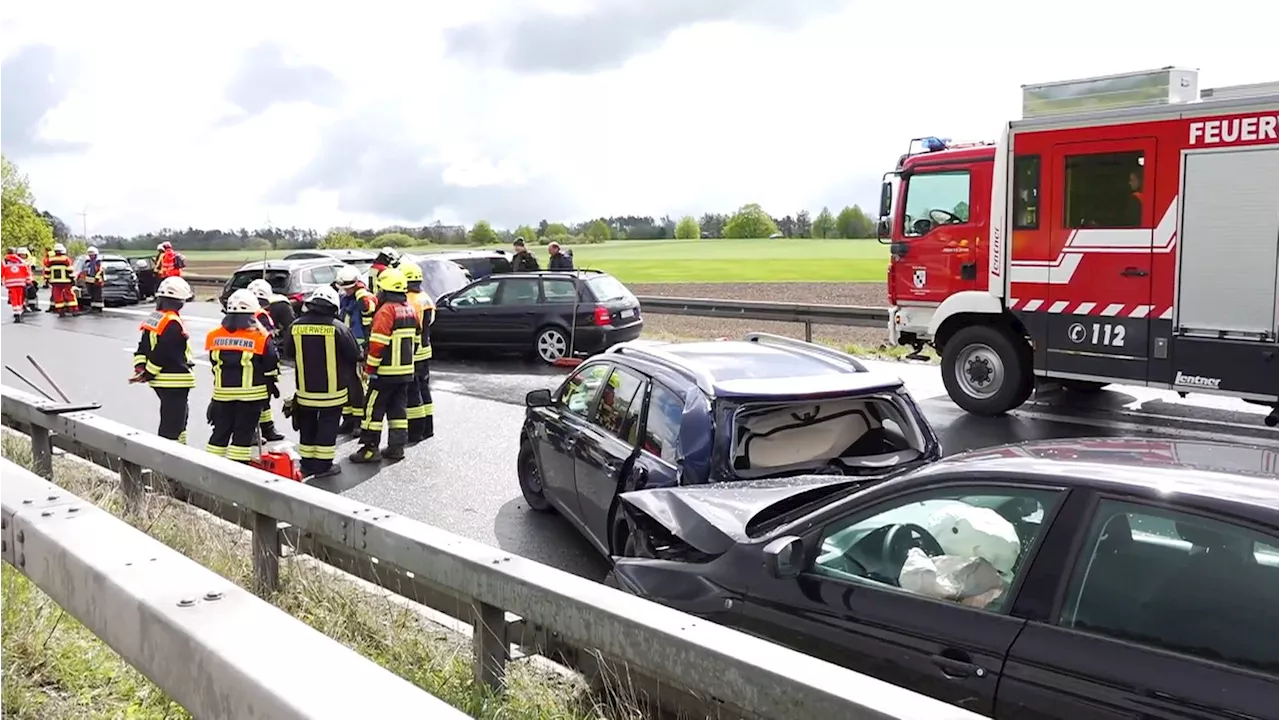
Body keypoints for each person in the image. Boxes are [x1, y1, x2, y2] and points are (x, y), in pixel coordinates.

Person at [284, 285, 360, 478]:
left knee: (307, 424)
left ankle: (307, 464)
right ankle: (323, 466)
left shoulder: (296, 326)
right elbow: (354, 354)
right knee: (328, 426)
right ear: (333, 306)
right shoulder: (339, 328)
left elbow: (289, 352)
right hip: (332, 392)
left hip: (305, 391)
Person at [349, 267, 419, 463]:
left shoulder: (386, 311)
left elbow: (378, 345)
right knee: (398, 410)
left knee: (373, 410)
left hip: (385, 373)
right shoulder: (411, 309)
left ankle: (370, 449)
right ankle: (397, 448)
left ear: (385, 290)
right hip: (406, 372)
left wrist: (369, 369)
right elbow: (418, 340)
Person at [205, 289, 279, 463]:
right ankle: (238, 472)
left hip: (222, 395)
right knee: (242, 436)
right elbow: (270, 365)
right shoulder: (260, 337)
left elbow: (214, 363)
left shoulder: (214, 335)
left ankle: (208, 468)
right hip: (251, 397)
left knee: (219, 434)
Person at [130, 277, 196, 443]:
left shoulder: (154, 318)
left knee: (178, 420)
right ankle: (168, 460)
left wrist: (141, 368)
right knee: (172, 426)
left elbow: (143, 347)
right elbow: (163, 353)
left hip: (162, 382)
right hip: (175, 380)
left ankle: (181, 451)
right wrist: (148, 374)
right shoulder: (172, 322)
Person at [244, 278, 289, 441]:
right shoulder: (261, 315)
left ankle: (268, 429)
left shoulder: (245, 313)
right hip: (260, 363)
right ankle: (254, 432)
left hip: (250, 361)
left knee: (264, 400)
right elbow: (267, 342)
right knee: (258, 399)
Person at [335, 264, 378, 435]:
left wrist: (361, 291)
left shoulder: (365, 297)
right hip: (345, 345)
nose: (346, 291)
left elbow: (369, 308)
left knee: (359, 385)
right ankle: (348, 419)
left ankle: (360, 421)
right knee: (346, 383)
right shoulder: (346, 298)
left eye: (349, 287)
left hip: (361, 348)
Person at [400, 262, 435, 443]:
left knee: (413, 393)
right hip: (425, 350)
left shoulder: (409, 300)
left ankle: (415, 432)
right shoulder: (425, 298)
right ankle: (428, 429)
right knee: (424, 389)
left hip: (412, 351)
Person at [45, 243, 78, 317]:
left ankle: (61, 311)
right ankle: (74, 310)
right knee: (70, 295)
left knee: (57, 296)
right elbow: (70, 270)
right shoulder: (66, 259)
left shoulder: (50, 259)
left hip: (55, 282)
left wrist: (46, 280)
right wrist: (72, 279)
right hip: (66, 281)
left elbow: (47, 271)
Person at [2, 248, 32, 322]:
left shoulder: (4, 262)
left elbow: (1, 272)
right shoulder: (21, 261)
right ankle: (19, 312)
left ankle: (16, 314)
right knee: (20, 298)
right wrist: (28, 281)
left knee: (14, 299)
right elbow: (27, 272)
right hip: (21, 283)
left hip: (10, 283)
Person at [80, 246, 106, 313]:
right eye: (90, 255)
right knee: (91, 294)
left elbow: (100, 271)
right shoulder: (88, 262)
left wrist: (97, 278)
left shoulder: (98, 262)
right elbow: (85, 271)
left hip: (97, 281)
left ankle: (98, 308)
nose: (91, 256)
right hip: (89, 280)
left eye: (92, 254)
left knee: (98, 295)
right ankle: (93, 307)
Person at [16, 247, 38, 311]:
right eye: (21, 255)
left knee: (32, 292)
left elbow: (30, 272)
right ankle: (23, 306)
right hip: (20, 281)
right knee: (22, 294)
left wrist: (31, 280)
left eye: (24, 255)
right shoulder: (17, 263)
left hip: (29, 280)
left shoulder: (28, 262)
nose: (23, 256)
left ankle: (33, 306)